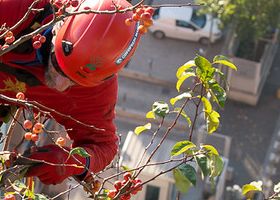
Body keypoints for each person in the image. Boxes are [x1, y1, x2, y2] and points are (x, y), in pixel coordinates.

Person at [0, 0, 141, 185]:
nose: (59, 84)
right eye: (57, 65)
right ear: (59, 27)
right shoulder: (17, 9)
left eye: (74, 82)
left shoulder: (96, 91)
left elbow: (104, 146)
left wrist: (73, 163)